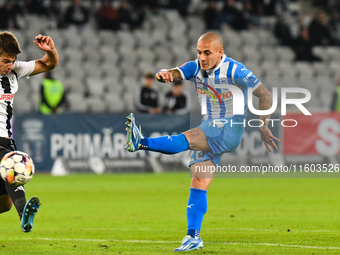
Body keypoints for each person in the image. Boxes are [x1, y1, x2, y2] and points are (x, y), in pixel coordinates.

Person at [125, 32, 279, 251]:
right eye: (199, 52)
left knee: (188, 138)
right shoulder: (195, 67)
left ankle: (141, 142)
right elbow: (176, 72)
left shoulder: (236, 70)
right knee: (198, 183)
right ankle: (193, 236)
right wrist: (165, 75)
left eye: (207, 53)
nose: (203, 57)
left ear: (220, 53)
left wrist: (263, 125)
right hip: (210, 125)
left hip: (229, 128)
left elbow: (265, 96)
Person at [0, 31, 59, 232]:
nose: (10, 65)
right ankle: (23, 210)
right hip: (2, 148)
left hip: (6, 141)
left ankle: (17, 207)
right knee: (14, 166)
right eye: (6, 60)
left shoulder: (15, 70)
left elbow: (48, 64)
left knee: (3, 204)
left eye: (13, 60)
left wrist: (51, 51)